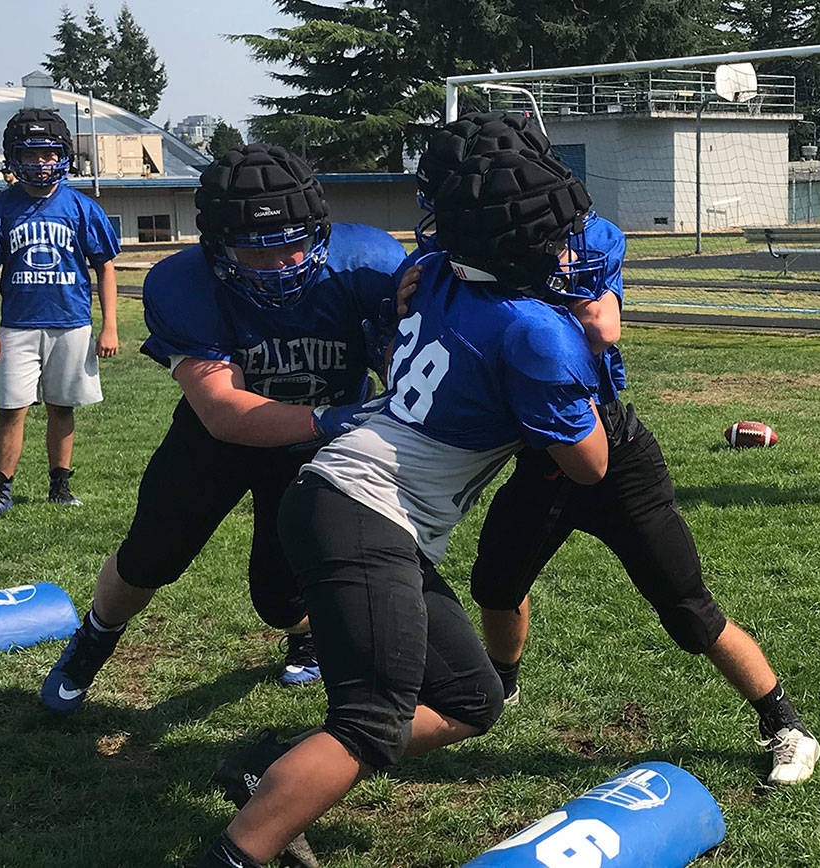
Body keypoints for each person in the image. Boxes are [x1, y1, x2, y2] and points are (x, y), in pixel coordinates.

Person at [191, 145, 609, 868]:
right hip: (364, 508)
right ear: (521, 248)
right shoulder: (537, 332)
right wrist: (588, 351)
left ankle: (272, 767)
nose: (572, 250)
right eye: (557, 236)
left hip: (351, 501)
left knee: (471, 699)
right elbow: (591, 465)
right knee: (370, 720)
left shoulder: (437, 274)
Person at [409, 111, 820, 786]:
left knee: (687, 608)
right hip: (539, 456)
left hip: (611, 451)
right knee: (496, 584)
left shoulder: (586, 238)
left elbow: (602, 324)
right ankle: (504, 684)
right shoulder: (449, 255)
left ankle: (784, 721)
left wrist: (519, 290)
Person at [40, 144, 409, 717]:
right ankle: (95, 637)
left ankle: (303, 631)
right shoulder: (185, 283)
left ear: (320, 228)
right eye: (257, 251)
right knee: (149, 557)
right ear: (215, 245)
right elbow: (223, 410)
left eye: (295, 242)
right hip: (221, 439)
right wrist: (340, 415)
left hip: (321, 447)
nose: (284, 262)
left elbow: (399, 359)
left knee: (280, 593)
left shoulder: (370, 260)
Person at [0, 107, 119, 519]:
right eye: (31, 154)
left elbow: (105, 267)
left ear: (63, 155)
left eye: (49, 154)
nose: (41, 163)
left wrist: (109, 326)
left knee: (62, 406)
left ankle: (60, 484)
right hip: (18, 325)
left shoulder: (82, 207)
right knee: (11, 408)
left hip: (72, 321)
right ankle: (0, 491)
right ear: (13, 157)